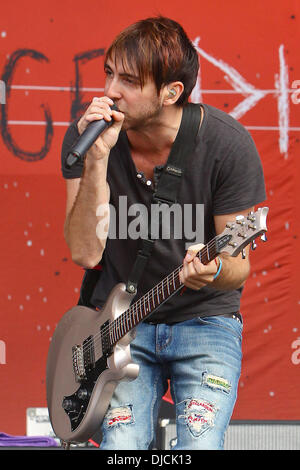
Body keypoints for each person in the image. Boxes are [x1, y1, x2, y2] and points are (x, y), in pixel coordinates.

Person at [61, 16, 266, 450]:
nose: (111, 90)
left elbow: (238, 267)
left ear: (171, 93)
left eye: (129, 81)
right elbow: (83, 252)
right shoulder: (88, 138)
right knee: (123, 447)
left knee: (199, 445)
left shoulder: (226, 145)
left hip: (205, 317)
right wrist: (95, 162)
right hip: (120, 325)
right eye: (109, 73)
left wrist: (210, 272)